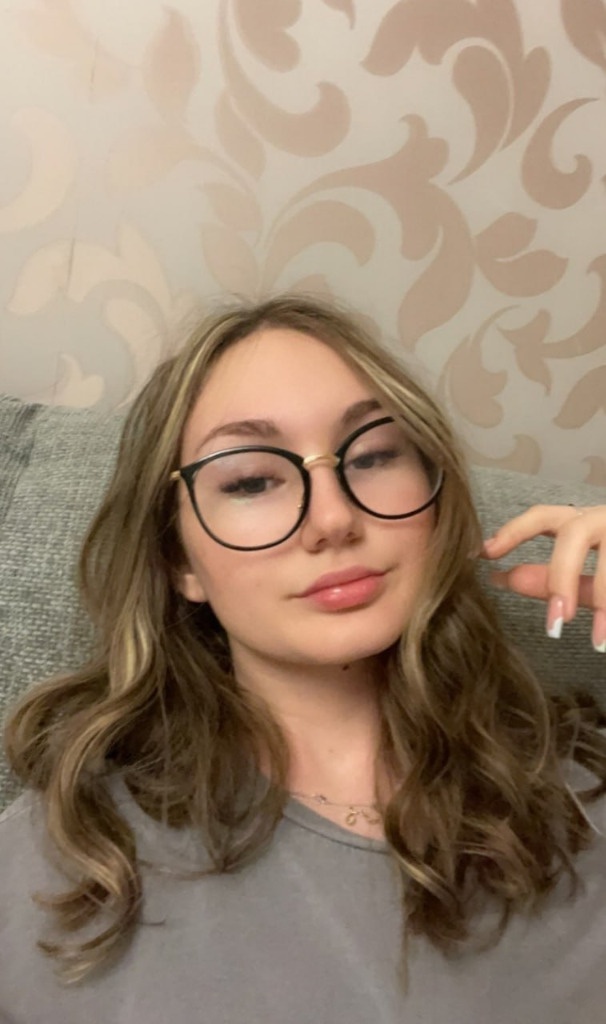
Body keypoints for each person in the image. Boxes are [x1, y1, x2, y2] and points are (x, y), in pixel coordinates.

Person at [0, 294, 605, 1024]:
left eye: (374, 455)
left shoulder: (581, 788)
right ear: (177, 559)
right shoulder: (64, 860)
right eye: (251, 480)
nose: (333, 518)